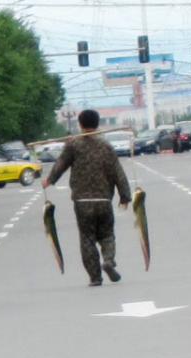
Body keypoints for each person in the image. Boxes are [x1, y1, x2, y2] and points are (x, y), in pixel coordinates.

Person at [42, 109, 131, 287]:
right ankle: (108, 260)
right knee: (107, 234)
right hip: (104, 199)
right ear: (98, 124)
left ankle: (95, 277)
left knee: (87, 238)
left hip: (82, 201)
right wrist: (125, 196)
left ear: (81, 124)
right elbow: (118, 172)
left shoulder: (74, 144)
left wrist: (49, 180)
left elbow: (61, 164)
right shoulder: (106, 146)